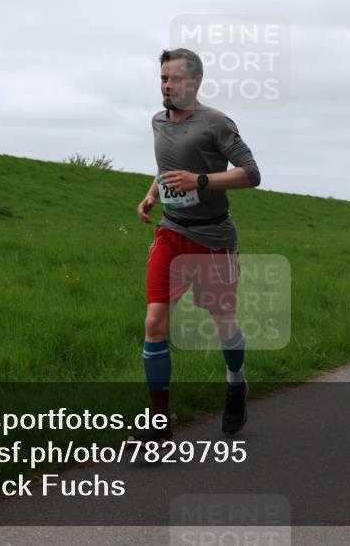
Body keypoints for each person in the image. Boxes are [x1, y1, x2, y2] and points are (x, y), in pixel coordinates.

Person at [134, 48, 261, 443]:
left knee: (224, 324)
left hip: (213, 239)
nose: (167, 86)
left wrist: (201, 180)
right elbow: (166, 165)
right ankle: (159, 427)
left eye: (174, 79)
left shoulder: (216, 123)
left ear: (196, 82)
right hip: (171, 233)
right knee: (154, 323)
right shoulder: (157, 121)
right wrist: (152, 194)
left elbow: (251, 174)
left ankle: (236, 383)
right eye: (162, 79)